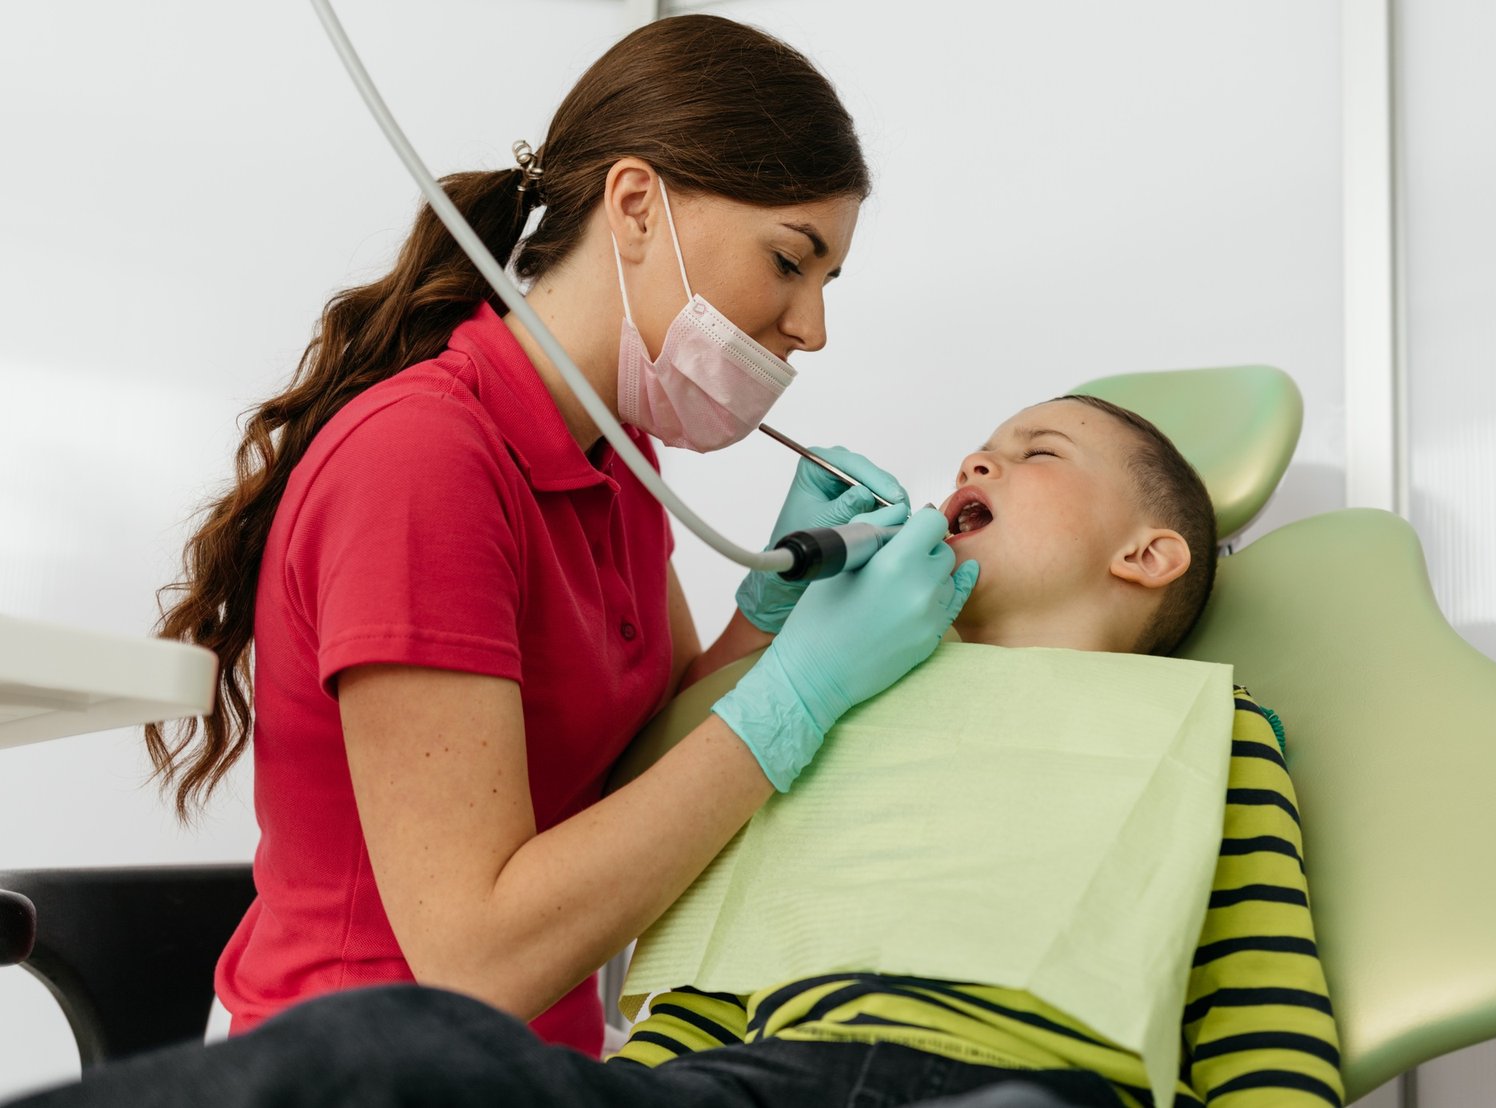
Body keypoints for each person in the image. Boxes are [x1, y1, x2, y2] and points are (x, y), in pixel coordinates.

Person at [13, 395, 1342, 1107]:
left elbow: (1265, 1032)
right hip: (734, 1085)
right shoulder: (844, 692)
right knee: (392, 1043)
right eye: (977, 448)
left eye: (1034, 452)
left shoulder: (1209, 735)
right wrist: (771, 638)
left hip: (1018, 1090)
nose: (978, 456)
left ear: (1148, 555)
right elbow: (678, 926)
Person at [138, 12, 975, 1058]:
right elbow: (475, 960)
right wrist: (802, 692)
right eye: (789, 260)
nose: (810, 327)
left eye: (824, 282)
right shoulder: (423, 462)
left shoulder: (617, 448)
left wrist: (771, 623)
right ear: (635, 205)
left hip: (539, 1067)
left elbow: (637, 774)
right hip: (357, 1067)